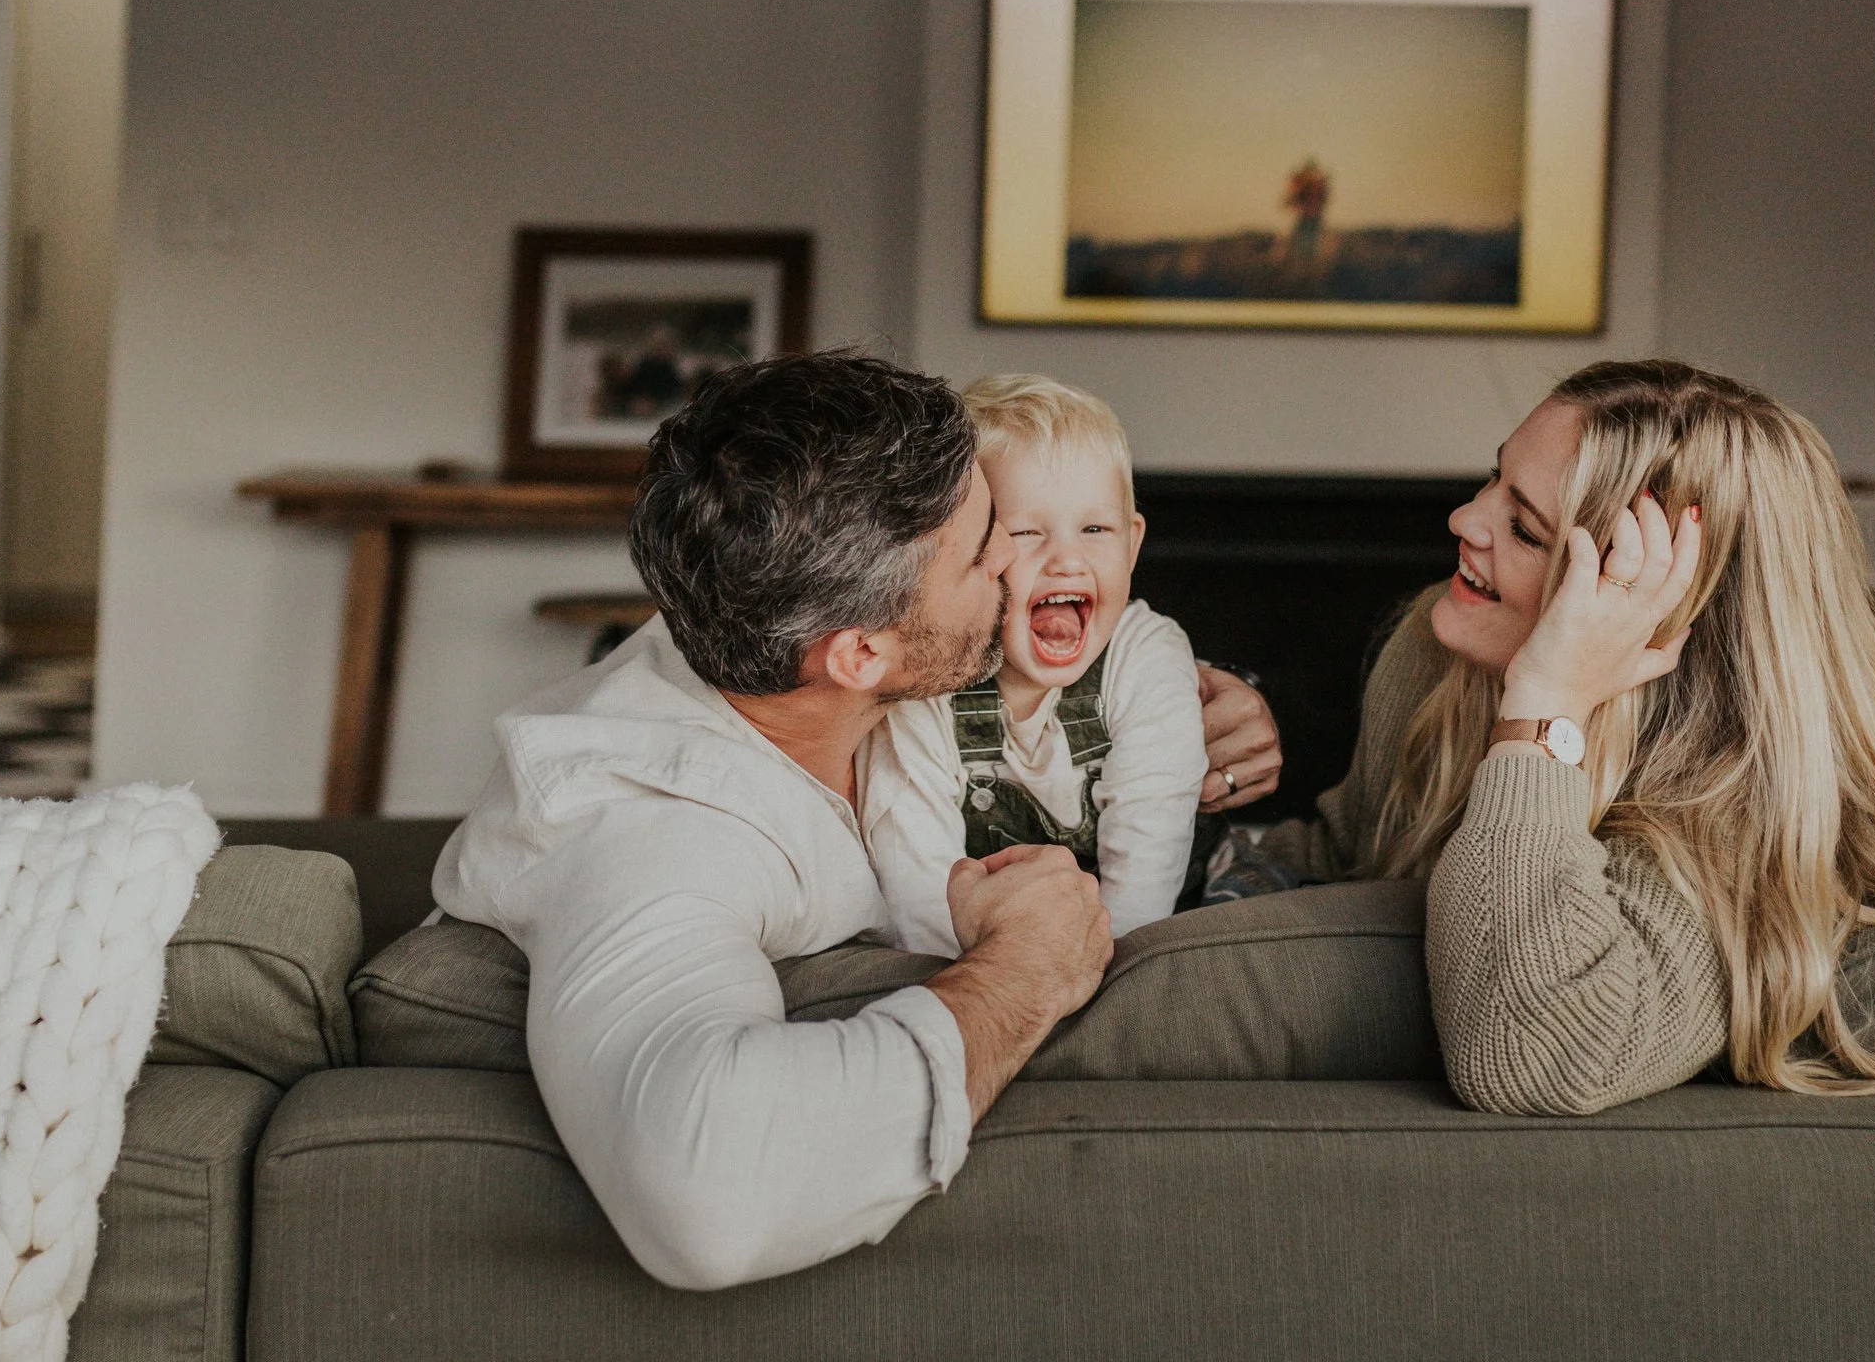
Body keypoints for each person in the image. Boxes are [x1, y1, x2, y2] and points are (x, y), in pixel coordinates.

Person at [432, 352, 1281, 1289]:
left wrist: (1204, 706)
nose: (1017, 556)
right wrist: (1019, 975)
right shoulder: (648, 831)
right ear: (861, 654)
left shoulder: (779, 621)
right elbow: (708, 1195)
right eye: (985, 543)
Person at [1262, 359, 1875, 1114]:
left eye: (1526, 529)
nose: (1464, 521)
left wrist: (1546, 707)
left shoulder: (1729, 845)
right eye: (1492, 481)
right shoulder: (1439, 660)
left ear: (1653, 608)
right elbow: (1340, 865)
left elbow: (1530, 1061)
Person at [865, 375, 1207, 955]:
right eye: (1026, 533)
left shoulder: (1145, 659)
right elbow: (916, 881)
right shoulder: (930, 677)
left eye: (1096, 529)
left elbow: (1149, 860)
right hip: (996, 936)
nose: (1068, 560)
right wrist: (969, 982)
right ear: (976, 551)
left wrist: (1102, 975)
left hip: (1163, 909)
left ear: (1132, 543)